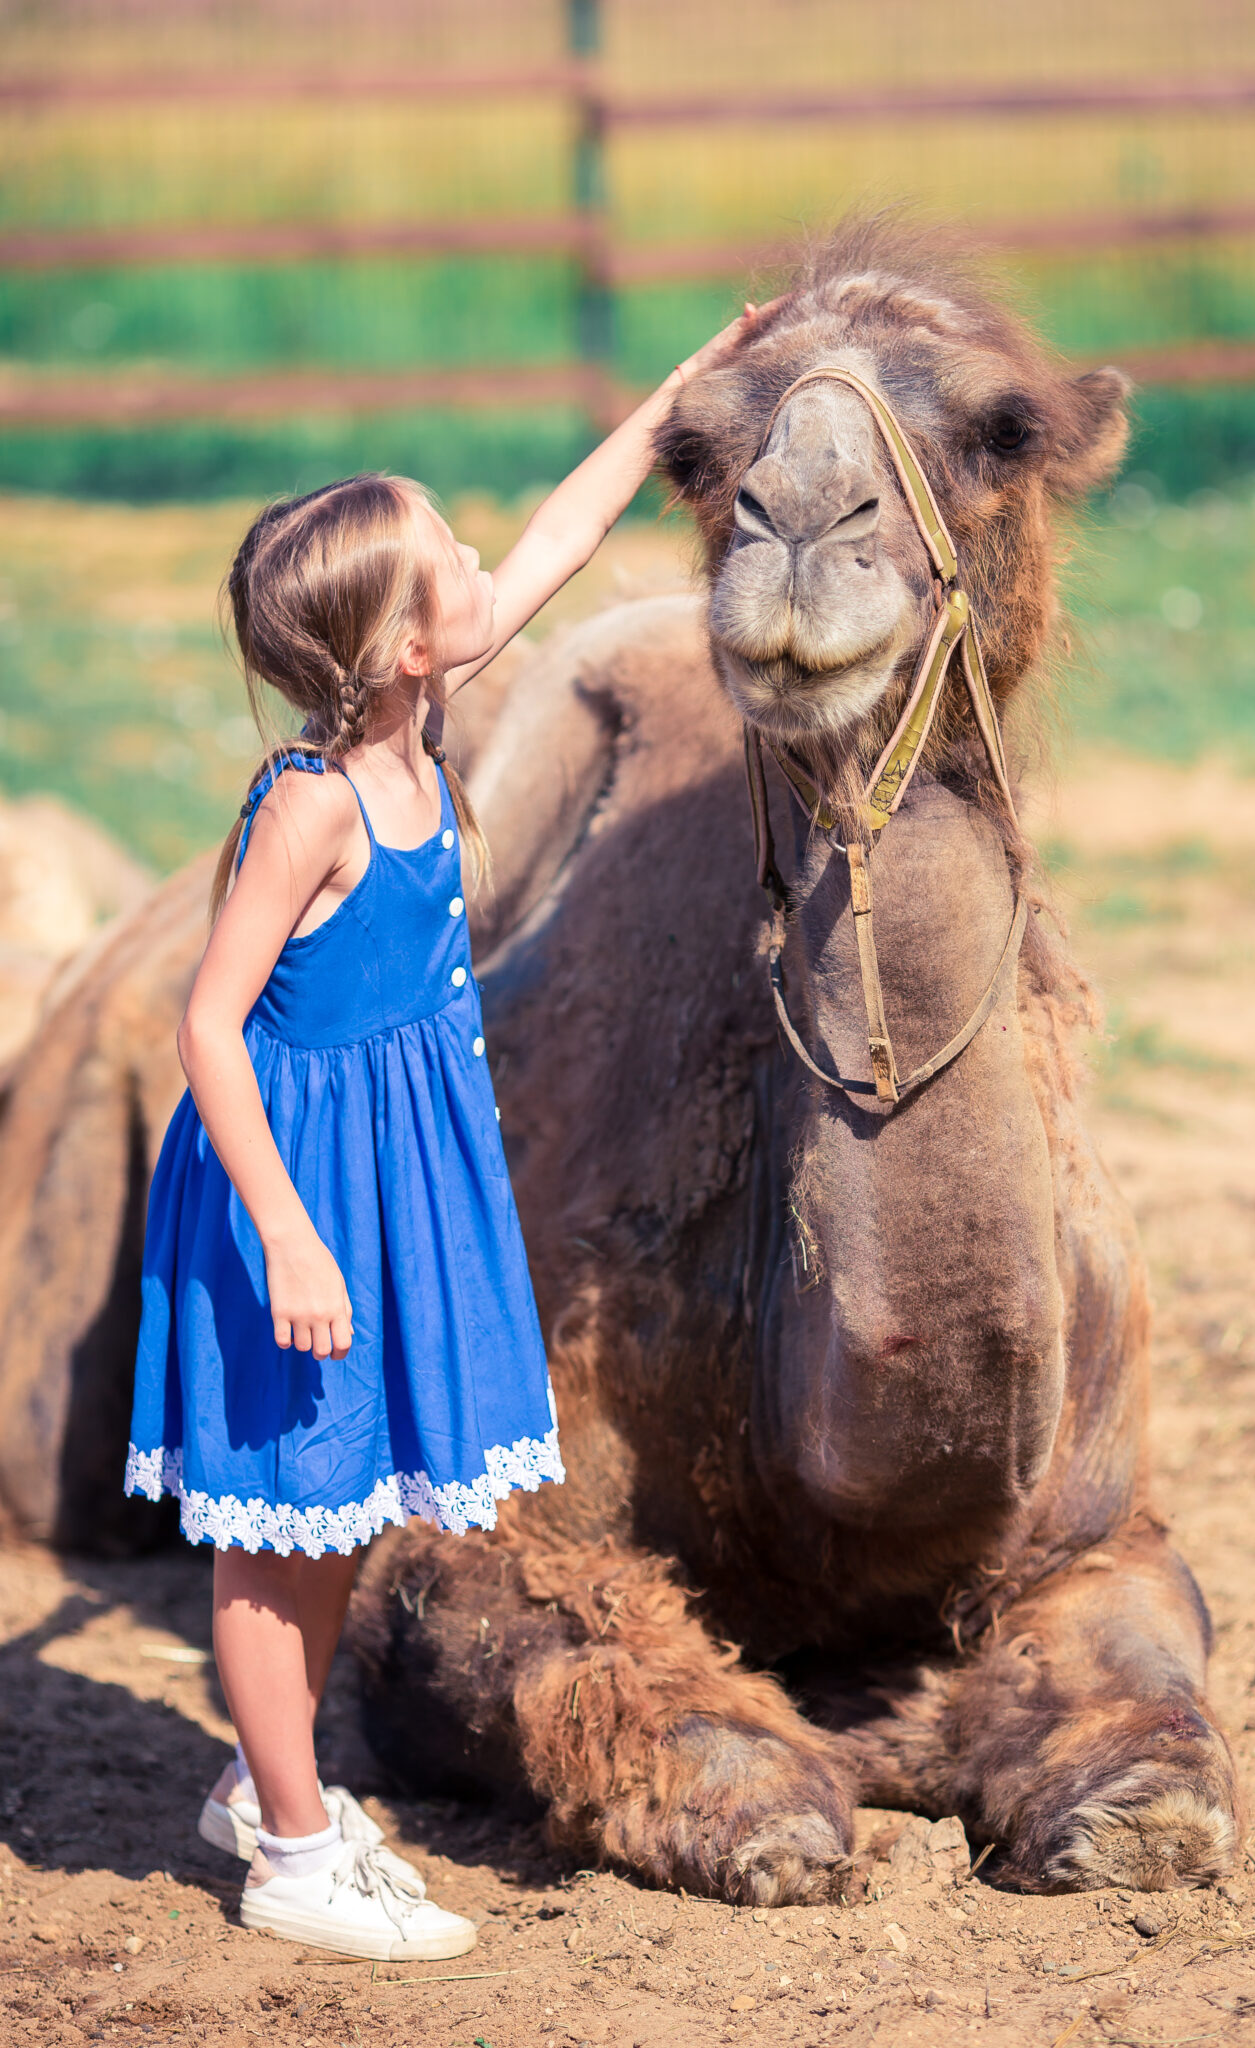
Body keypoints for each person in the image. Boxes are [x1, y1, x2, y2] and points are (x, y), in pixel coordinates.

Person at [124, 309, 757, 1961]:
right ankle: (288, 1853)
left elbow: (559, 531)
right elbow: (206, 1023)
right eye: (446, 561)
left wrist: (683, 399)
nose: (484, 559)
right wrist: (286, 1230)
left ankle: (269, 1789)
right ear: (403, 644)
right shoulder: (313, 802)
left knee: (340, 1505)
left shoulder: (425, 720)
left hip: (392, 1167)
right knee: (278, 1525)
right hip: (297, 1190)